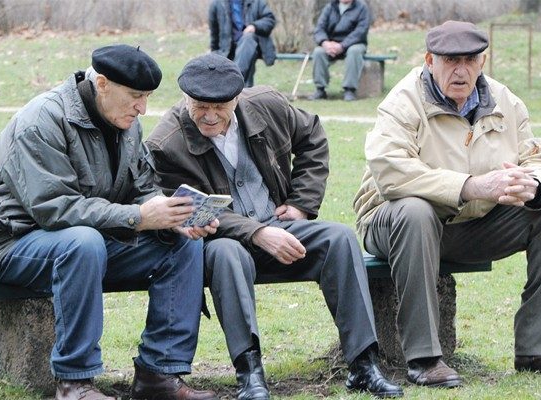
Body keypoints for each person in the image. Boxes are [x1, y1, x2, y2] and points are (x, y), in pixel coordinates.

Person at [0, 44, 220, 400]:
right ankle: (74, 383)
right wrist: (138, 217)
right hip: (12, 242)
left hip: (88, 241)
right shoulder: (42, 120)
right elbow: (54, 210)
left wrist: (170, 216)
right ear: (102, 83)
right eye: (136, 96)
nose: (142, 108)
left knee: (181, 243)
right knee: (82, 242)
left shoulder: (126, 122)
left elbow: (143, 188)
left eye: (147, 97)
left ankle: (159, 375)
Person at [146, 53, 403, 400]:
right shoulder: (166, 143)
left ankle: (363, 364)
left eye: (218, 106)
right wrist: (258, 233)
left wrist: (301, 203)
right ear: (186, 99)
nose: (208, 115)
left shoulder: (266, 105)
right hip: (223, 238)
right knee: (226, 254)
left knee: (339, 238)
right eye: (199, 105)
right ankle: (250, 373)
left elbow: (312, 135)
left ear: (237, 98)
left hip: (280, 223)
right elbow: (191, 211)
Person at [353, 20, 541, 388]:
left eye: (469, 60)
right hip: (393, 223)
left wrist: (533, 187)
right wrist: (471, 185)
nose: (460, 70)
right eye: (450, 60)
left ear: (483, 61)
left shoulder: (504, 100)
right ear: (430, 60)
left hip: (469, 225)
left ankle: (537, 349)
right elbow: (391, 173)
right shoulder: (403, 100)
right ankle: (424, 358)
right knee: (415, 210)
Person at [310, 0, 371, 101]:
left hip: (354, 43)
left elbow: (361, 31)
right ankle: (320, 89)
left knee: (354, 52)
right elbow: (319, 29)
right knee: (318, 52)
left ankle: (349, 90)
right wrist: (325, 43)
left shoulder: (362, 7)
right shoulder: (330, 7)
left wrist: (343, 45)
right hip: (332, 43)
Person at [209, 0, 277, 88]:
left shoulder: (257, 2)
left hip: (253, 44)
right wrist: (214, 52)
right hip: (228, 49)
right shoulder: (217, 3)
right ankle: (238, 89)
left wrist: (254, 26)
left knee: (248, 40)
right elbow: (214, 32)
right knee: (246, 70)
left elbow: (270, 20)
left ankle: (233, 82)